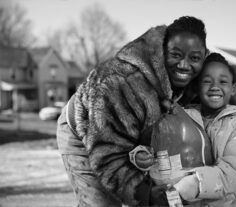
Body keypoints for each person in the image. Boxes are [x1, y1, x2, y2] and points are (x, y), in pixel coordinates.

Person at [56, 16, 208, 206]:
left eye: (194, 58)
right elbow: (107, 155)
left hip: (130, 141)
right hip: (87, 133)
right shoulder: (122, 84)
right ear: (161, 51)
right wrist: (146, 194)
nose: (184, 65)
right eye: (176, 55)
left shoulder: (194, 81)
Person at [134, 53, 236, 207]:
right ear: (197, 87)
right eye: (206, 81)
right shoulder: (182, 116)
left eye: (223, 81)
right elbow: (158, 143)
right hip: (185, 200)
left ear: (233, 89)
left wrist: (194, 183)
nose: (214, 86)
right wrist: (140, 156)